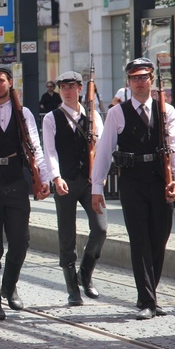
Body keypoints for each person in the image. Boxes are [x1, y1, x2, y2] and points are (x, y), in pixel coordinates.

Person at [91, 57, 175, 320]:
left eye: (144, 77)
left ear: (152, 80)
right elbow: (104, 150)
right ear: (128, 82)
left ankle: (149, 294)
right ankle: (146, 300)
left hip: (160, 180)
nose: (140, 82)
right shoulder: (117, 113)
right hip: (132, 181)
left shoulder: (166, 110)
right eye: (135, 78)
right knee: (140, 240)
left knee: (159, 238)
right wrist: (96, 187)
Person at [0, 63, 51, 320]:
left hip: (15, 181)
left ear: (10, 82)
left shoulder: (24, 113)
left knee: (21, 240)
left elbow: (34, 146)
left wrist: (43, 177)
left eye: (0, 80)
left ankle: (9, 286)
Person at [42, 71, 107, 306]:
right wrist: (56, 177)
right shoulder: (51, 118)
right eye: (63, 87)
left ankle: (86, 274)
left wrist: (100, 177)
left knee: (100, 228)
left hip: (90, 182)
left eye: (71, 86)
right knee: (66, 235)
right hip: (66, 181)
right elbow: (49, 151)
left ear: (80, 88)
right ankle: (72, 289)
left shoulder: (93, 116)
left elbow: (101, 147)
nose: (67, 91)